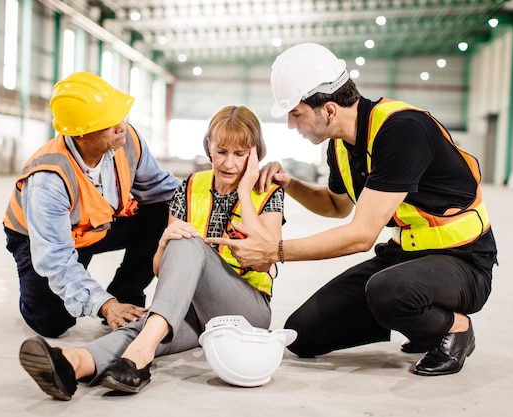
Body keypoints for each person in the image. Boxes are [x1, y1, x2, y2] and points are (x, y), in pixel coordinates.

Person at [209, 43, 498, 376]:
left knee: (388, 292)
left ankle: (454, 328)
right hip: (408, 257)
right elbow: (335, 206)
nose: (291, 124)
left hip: (464, 262)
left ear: (329, 110)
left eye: (296, 113)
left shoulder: (402, 131)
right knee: (303, 335)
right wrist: (290, 183)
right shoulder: (340, 146)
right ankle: (421, 324)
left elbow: (361, 236)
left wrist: (274, 251)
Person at [18, 105, 285, 400]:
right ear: (209, 146)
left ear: (255, 153)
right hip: (195, 312)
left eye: (240, 153)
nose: (229, 163)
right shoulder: (190, 186)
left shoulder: (268, 189)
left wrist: (246, 192)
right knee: (147, 328)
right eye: (222, 151)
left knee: (183, 247)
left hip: (247, 312)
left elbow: (267, 258)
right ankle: (73, 364)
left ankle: (139, 355)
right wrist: (162, 244)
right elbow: (161, 270)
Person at [3, 72, 180, 338]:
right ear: (81, 135)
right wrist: (105, 306)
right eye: (109, 123)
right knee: (51, 322)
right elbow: (56, 258)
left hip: (99, 226)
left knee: (165, 211)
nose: (121, 126)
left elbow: (163, 188)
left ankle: (127, 293)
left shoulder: (127, 141)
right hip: (43, 240)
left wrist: (218, 192)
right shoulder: (48, 179)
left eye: (119, 116)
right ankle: (38, 291)